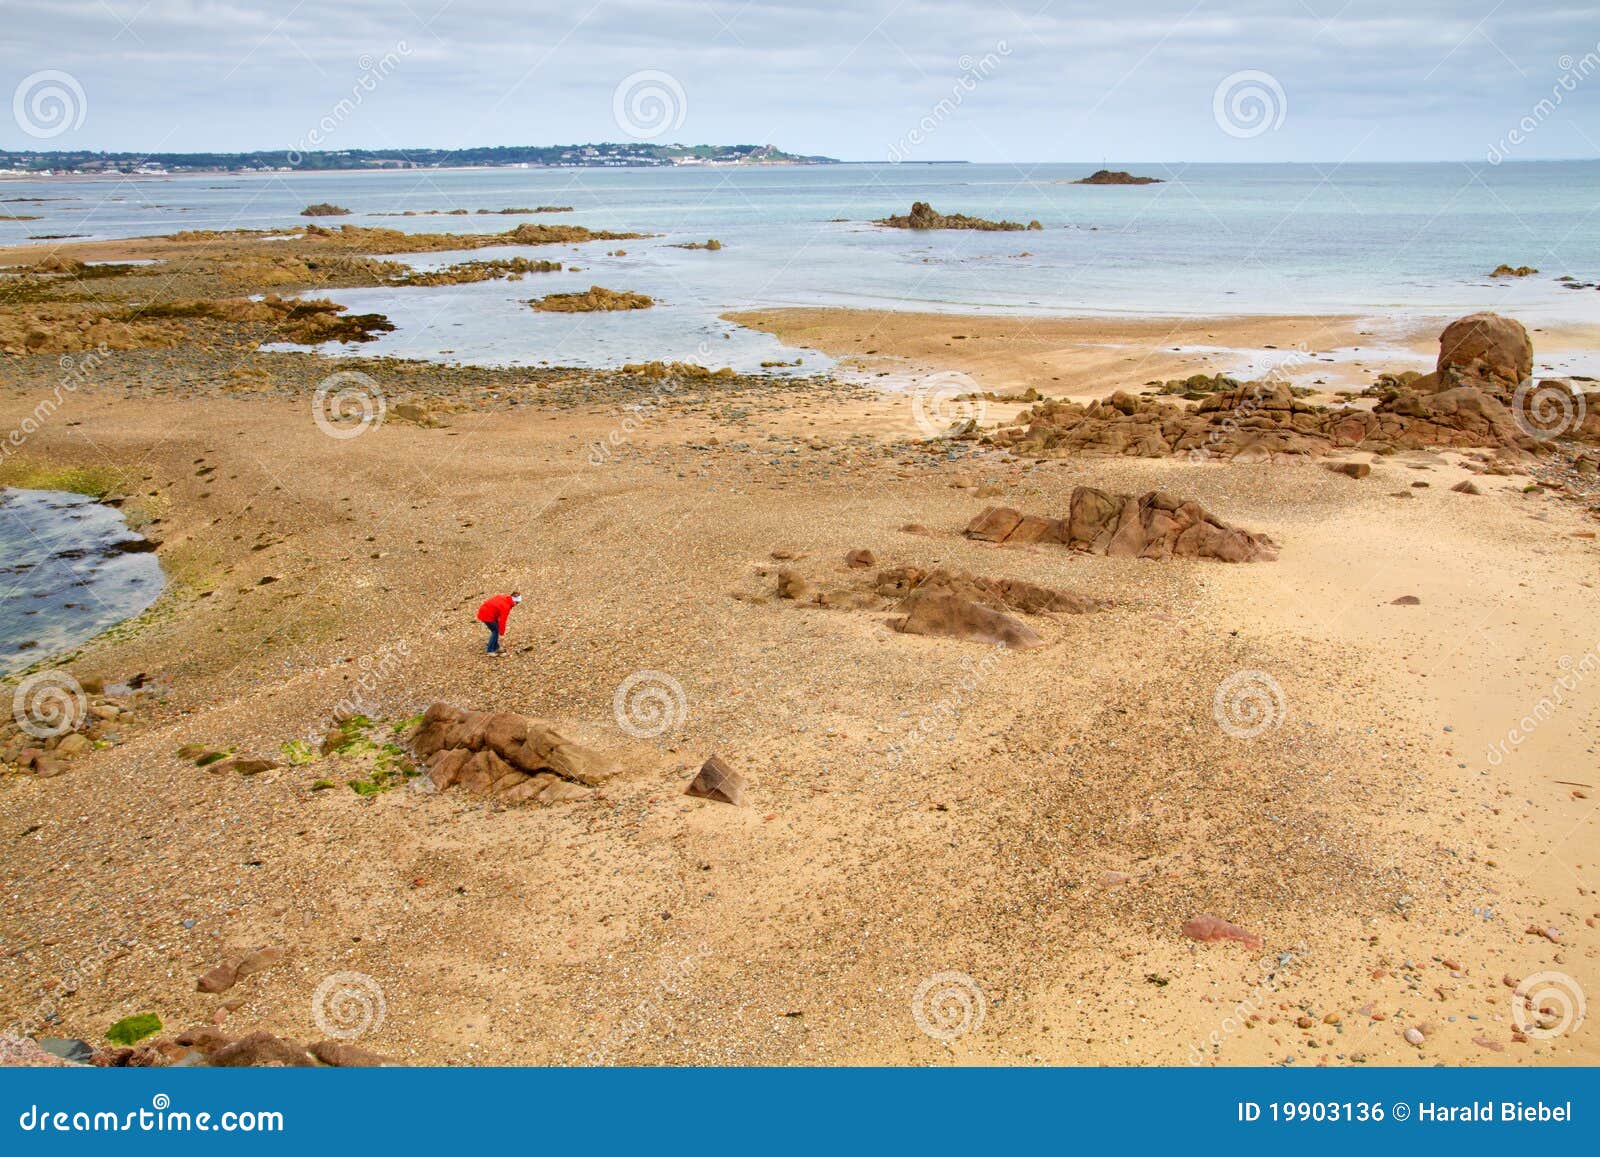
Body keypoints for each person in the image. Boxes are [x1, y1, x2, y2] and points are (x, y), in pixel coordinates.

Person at [476, 590, 520, 657]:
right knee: (495, 631)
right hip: (486, 616)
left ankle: (496, 646)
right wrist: (502, 634)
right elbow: (503, 621)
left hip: (485, 611)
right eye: (517, 603)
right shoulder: (506, 607)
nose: (516, 605)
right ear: (515, 601)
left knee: (496, 629)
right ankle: (490, 650)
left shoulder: (504, 597)